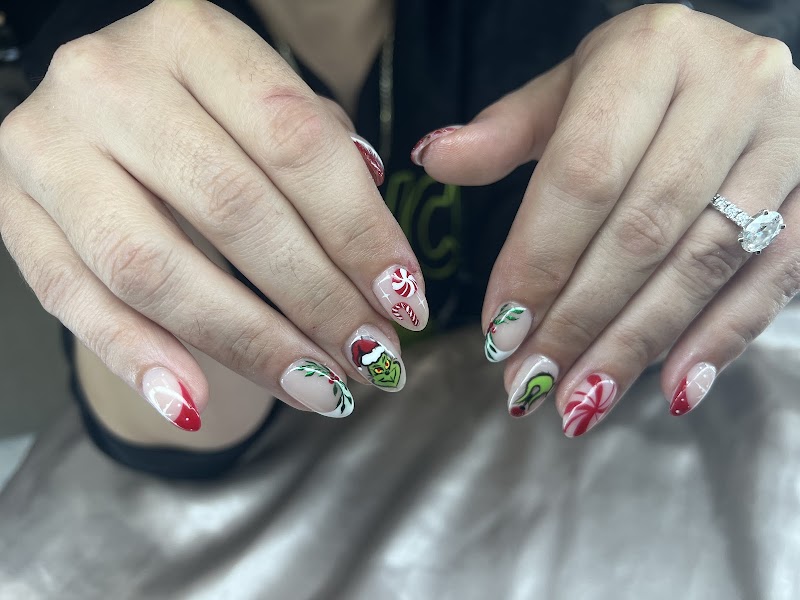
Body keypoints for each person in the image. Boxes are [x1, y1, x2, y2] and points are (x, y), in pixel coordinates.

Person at [1, 1, 800, 597]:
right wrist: (178, 247)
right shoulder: (98, 44)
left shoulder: (582, 20)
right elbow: (192, 433)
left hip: (622, 510)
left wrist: (745, 117)